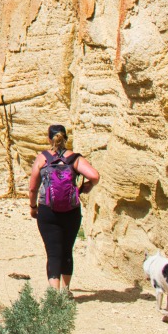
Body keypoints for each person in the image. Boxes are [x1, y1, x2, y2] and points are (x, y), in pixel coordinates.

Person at [28, 124, 99, 292]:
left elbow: (32, 188)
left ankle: (54, 293)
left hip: (47, 210)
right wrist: (87, 186)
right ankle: (66, 291)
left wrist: (33, 207)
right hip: (71, 211)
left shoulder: (42, 158)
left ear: (48, 139)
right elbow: (94, 176)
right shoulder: (74, 158)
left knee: (53, 252)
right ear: (66, 138)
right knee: (67, 250)